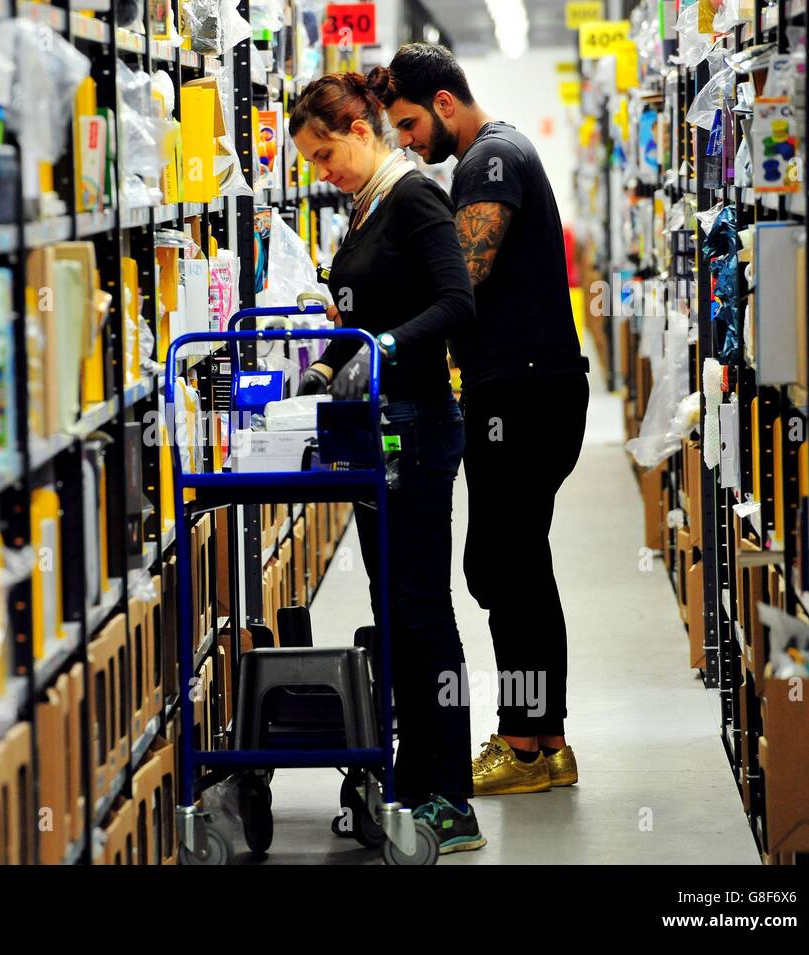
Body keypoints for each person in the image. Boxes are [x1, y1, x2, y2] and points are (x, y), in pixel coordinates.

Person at [369, 44, 590, 796]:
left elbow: (466, 271)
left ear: (443, 104)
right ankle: (546, 740)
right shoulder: (495, 153)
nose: (405, 141)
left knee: (502, 565)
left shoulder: (488, 162)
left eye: (407, 123)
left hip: (524, 395)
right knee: (520, 562)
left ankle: (521, 742)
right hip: (529, 392)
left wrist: (392, 296)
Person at [288, 73, 483, 853]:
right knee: (393, 609)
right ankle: (412, 773)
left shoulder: (414, 198)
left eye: (325, 151)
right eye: (310, 159)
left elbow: (455, 303)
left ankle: (454, 797)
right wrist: (323, 367)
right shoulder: (364, 207)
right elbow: (362, 314)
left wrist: (387, 347)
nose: (320, 170)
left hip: (419, 428)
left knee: (423, 611)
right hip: (376, 428)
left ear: (364, 129)